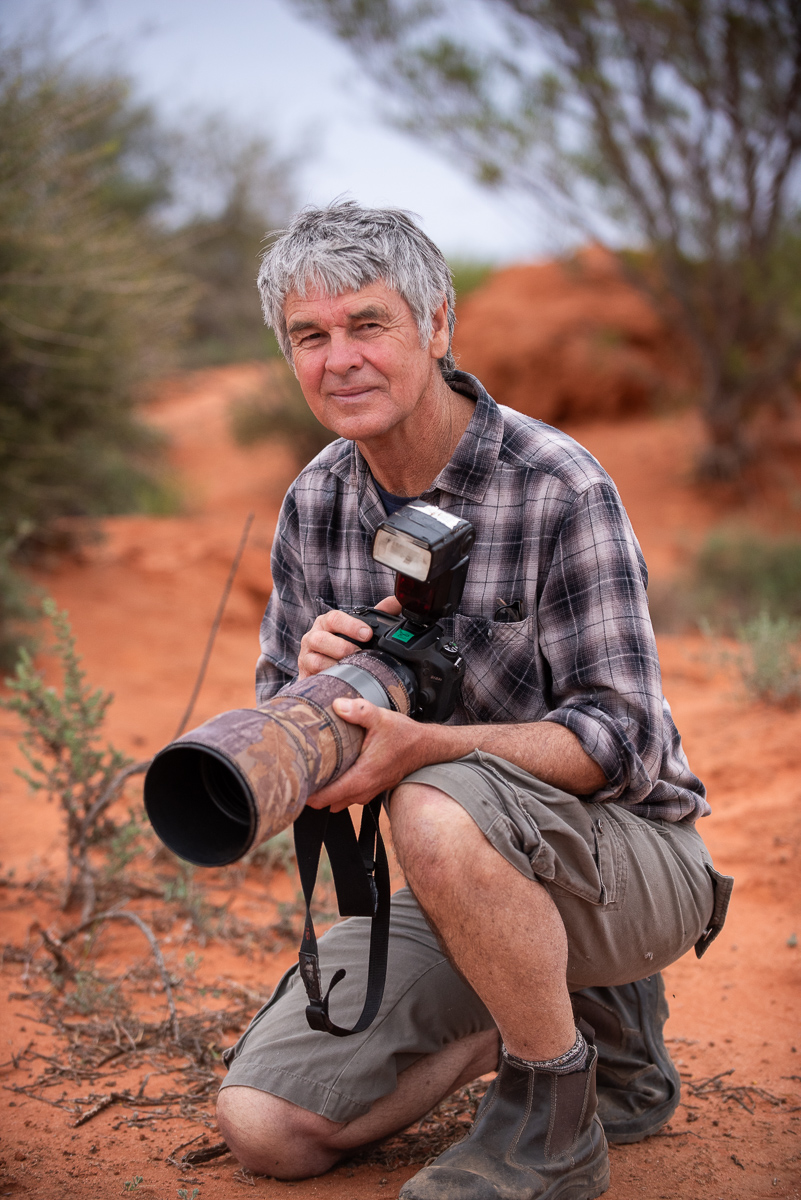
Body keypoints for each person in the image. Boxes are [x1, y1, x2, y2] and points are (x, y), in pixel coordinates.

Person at [215, 201, 733, 1200]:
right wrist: (310, 699)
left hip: (632, 857)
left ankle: (553, 1119)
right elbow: (284, 733)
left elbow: (624, 740)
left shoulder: (556, 485)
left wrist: (419, 748)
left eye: (369, 324)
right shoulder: (316, 501)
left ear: (437, 325)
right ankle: (563, 1017)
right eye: (309, 337)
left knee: (431, 802)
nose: (340, 359)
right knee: (265, 1128)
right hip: (477, 882)